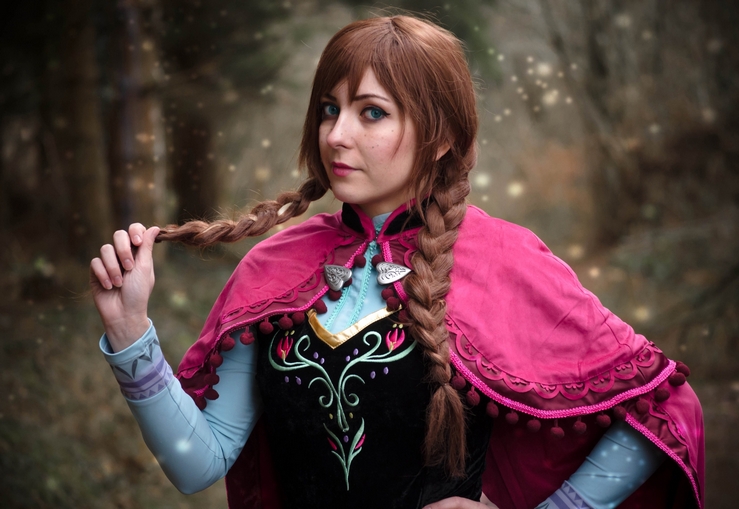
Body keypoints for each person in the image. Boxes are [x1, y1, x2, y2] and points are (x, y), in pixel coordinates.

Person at [90, 15, 705, 509]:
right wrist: (131, 333)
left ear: (439, 135)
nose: (336, 134)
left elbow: (665, 409)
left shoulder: (508, 261)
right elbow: (199, 464)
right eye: (330, 108)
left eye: (371, 112)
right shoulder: (272, 269)